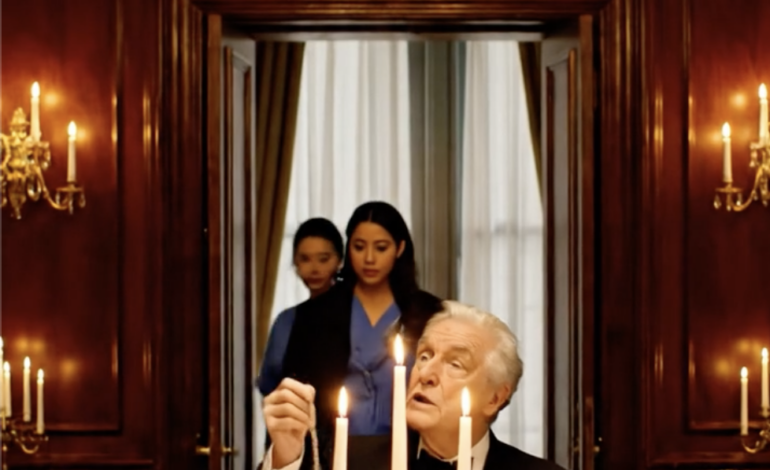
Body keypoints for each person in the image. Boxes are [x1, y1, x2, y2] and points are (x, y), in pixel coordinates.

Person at [262, 300, 565, 470]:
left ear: (495, 398)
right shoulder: (350, 459)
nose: (426, 373)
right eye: (424, 356)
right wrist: (285, 456)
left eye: (455, 364)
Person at [263, 201, 444, 468]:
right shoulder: (315, 315)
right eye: (359, 247)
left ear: (400, 248)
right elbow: (292, 394)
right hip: (333, 452)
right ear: (348, 248)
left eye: (380, 248)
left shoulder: (427, 313)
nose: (369, 258)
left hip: (412, 451)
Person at [257, 217, 345, 397]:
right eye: (305, 259)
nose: (314, 269)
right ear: (295, 263)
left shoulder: (353, 312)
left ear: (340, 261)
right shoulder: (286, 320)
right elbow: (268, 383)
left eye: (323, 259)